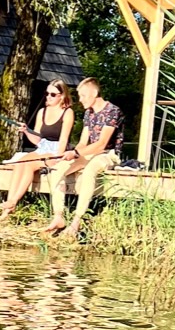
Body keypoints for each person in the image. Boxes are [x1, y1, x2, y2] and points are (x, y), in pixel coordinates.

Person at [42, 77, 124, 240]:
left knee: (89, 171)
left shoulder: (112, 111)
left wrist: (78, 154)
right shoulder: (88, 113)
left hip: (109, 154)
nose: (80, 100)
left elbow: (101, 144)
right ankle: (58, 216)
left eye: (83, 96)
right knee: (58, 169)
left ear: (94, 93)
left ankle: (76, 221)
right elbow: (82, 143)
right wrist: (69, 154)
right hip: (89, 153)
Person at [0, 81, 75, 220]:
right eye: (47, 93)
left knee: (29, 164)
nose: (48, 97)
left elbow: (64, 139)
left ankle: (14, 201)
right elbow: (38, 139)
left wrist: (57, 157)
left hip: (57, 150)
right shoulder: (42, 112)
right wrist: (26, 131)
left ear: (62, 96)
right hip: (43, 148)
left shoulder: (68, 113)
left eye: (52, 94)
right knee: (20, 162)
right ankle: (10, 203)